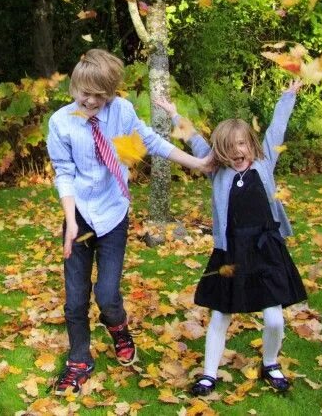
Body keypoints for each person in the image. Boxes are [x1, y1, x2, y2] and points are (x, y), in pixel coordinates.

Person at [46, 49, 213, 395]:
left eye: (99, 95)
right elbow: (63, 172)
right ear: (74, 86)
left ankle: (118, 326)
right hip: (77, 216)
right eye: (84, 92)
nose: (90, 100)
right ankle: (79, 360)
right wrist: (69, 220)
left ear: (110, 93)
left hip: (112, 213)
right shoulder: (61, 122)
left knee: (107, 294)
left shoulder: (121, 112)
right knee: (75, 298)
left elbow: (149, 142)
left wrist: (196, 164)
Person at [157, 80, 307, 396]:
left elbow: (277, 128)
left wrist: (287, 96)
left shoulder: (265, 162)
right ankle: (209, 375)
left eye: (242, 144)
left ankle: (271, 364)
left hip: (266, 250)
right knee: (220, 314)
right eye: (228, 147)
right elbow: (194, 139)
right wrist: (173, 113)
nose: (237, 151)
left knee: (274, 319)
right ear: (220, 153)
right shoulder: (218, 171)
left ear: (251, 144)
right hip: (231, 252)